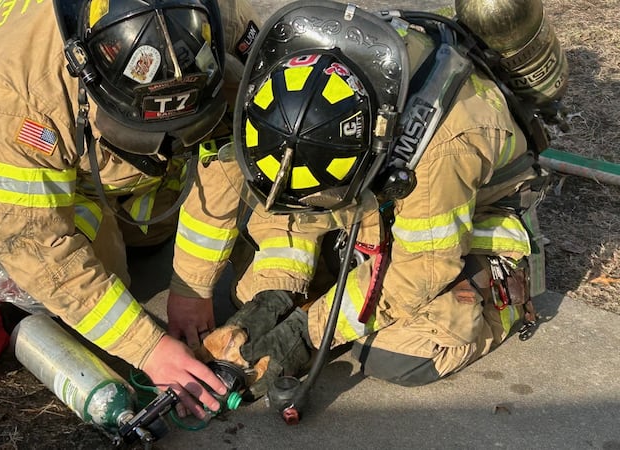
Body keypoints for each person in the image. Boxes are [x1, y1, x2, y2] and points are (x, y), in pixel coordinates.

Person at [200, 0, 558, 400]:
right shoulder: (305, 83)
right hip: (392, 196)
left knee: (395, 353)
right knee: (247, 292)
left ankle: (504, 297)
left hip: (474, 218)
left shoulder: (443, 150)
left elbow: (420, 269)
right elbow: (292, 209)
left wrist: (308, 332)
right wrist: (273, 296)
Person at [0, 0, 261, 418]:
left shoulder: (221, 22)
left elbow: (227, 141)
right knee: (84, 284)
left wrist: (193, 287)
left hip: (121, 143)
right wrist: (146, 347)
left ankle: (133, 177)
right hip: (22, 136)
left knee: (152, 231)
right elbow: (32, 240)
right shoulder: (28, 87)